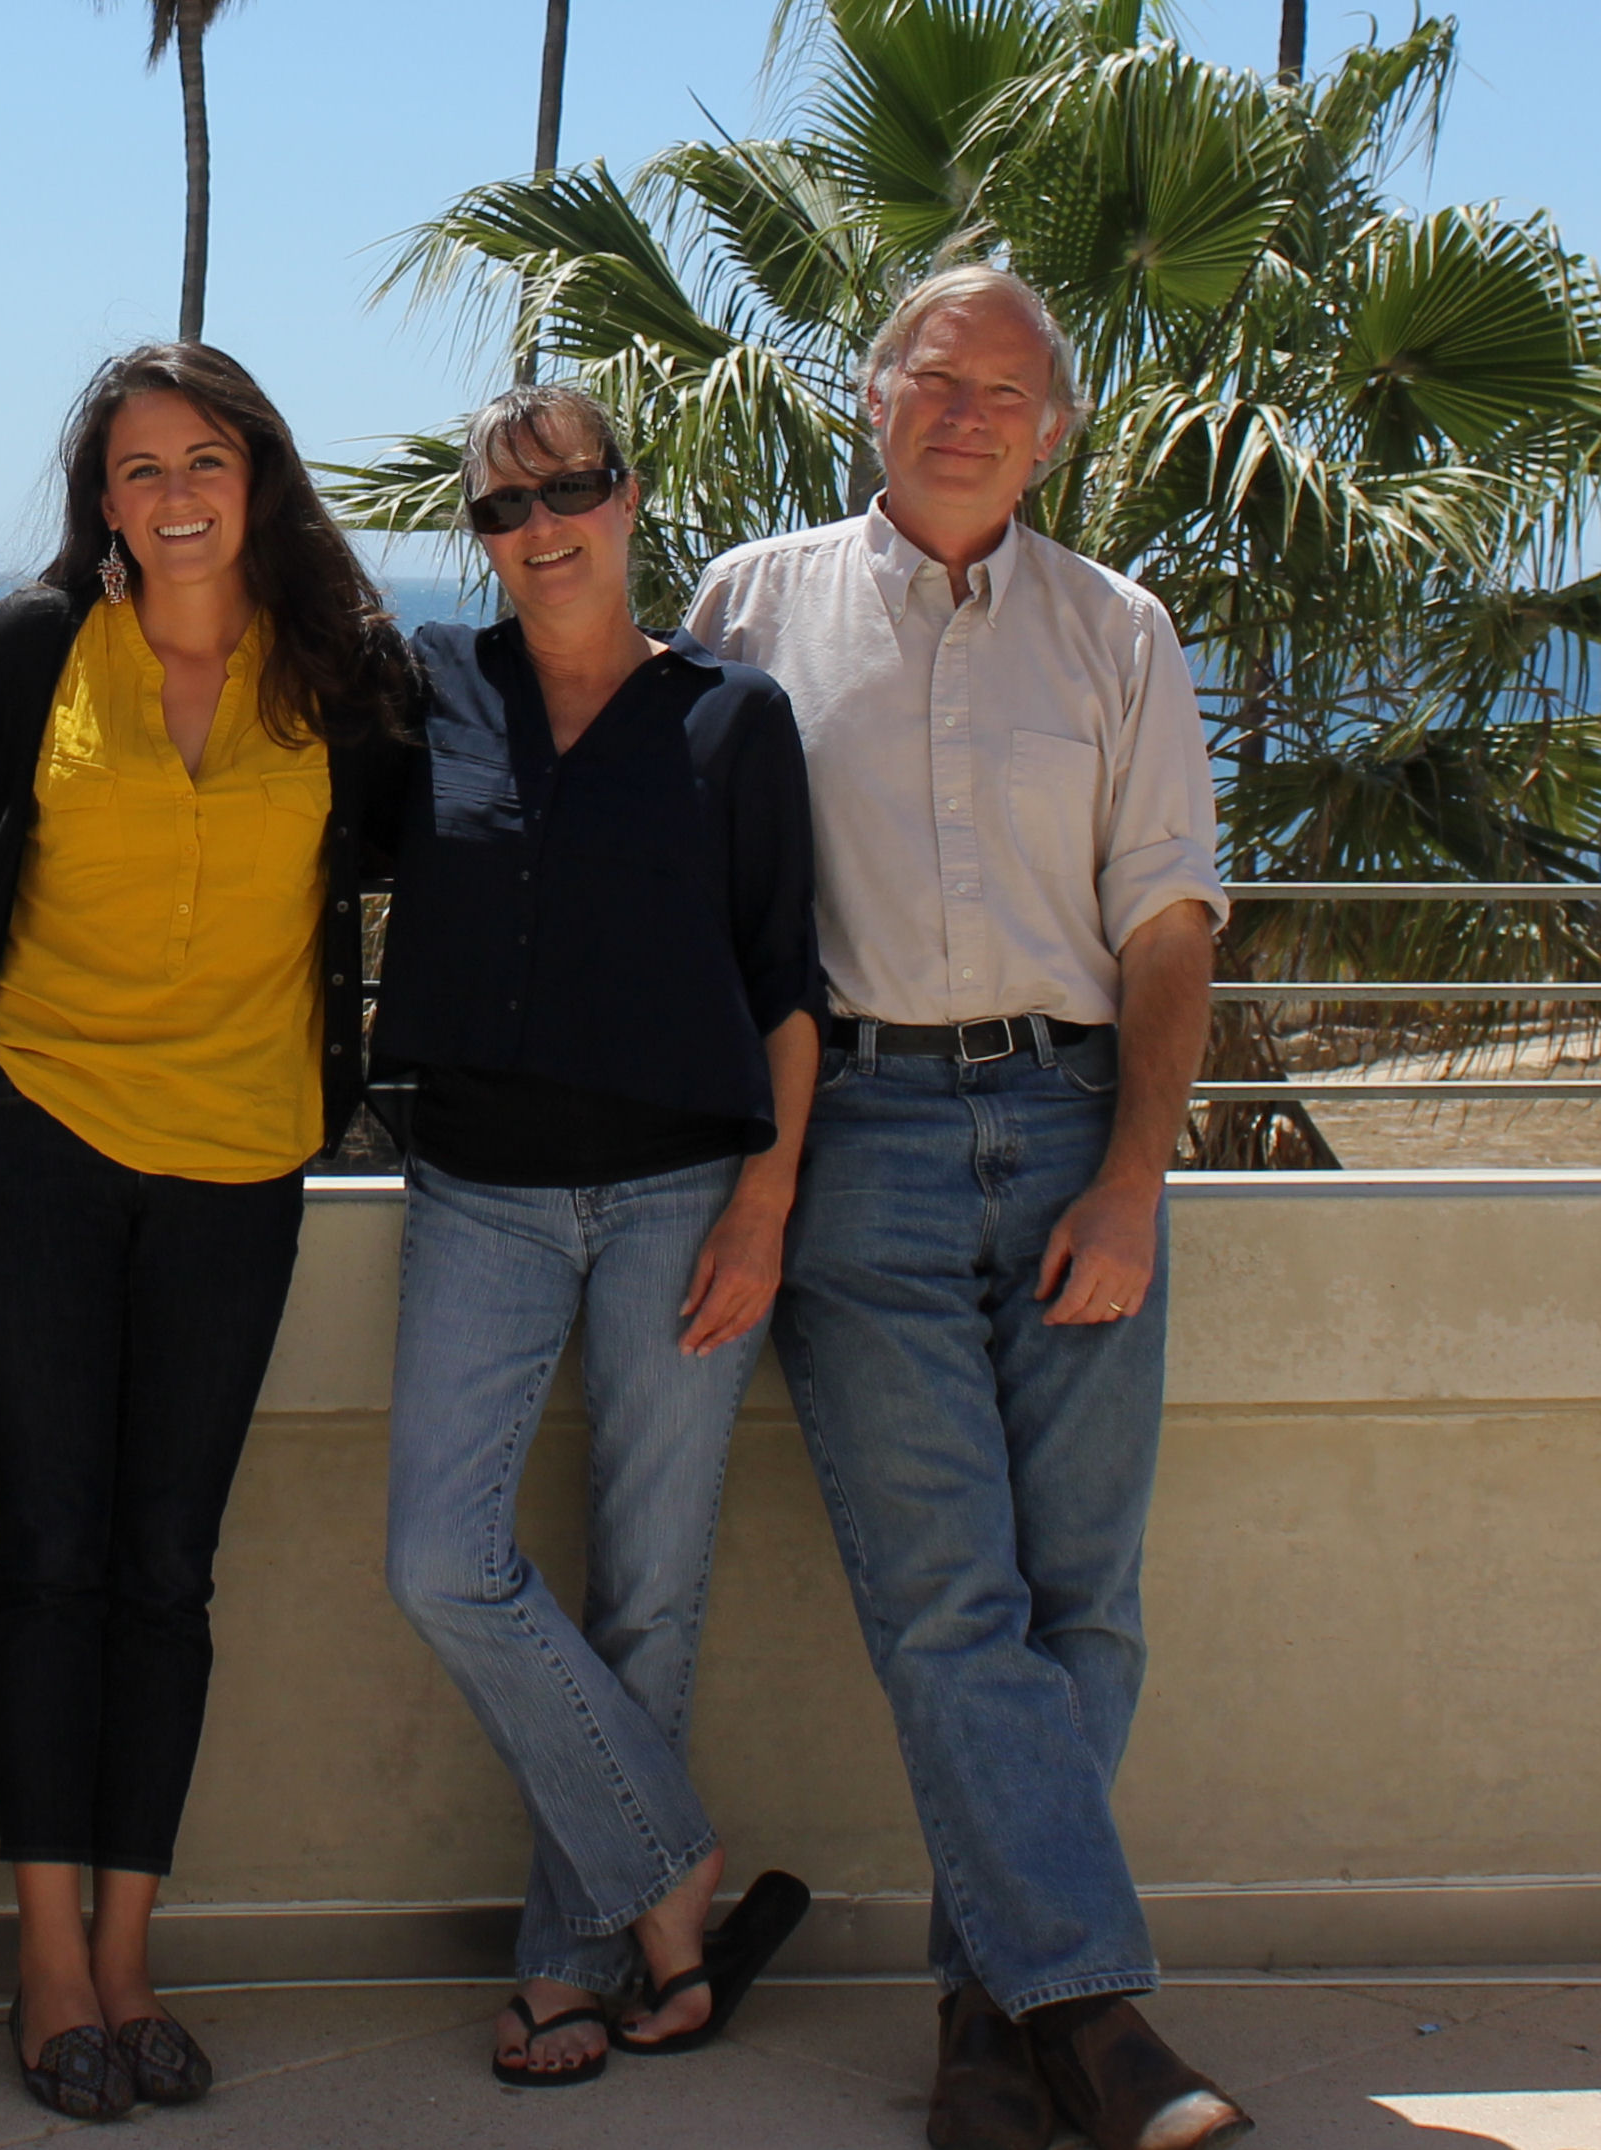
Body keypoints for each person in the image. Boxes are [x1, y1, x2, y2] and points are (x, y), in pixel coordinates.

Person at [687, 265, 1245, 2150]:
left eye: (1009, 389)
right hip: (853, 1141)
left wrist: (1135, 1182)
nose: (969, 409)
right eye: (938, 373)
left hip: (1080, 1116)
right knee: (951, 1598)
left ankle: (988, 2024)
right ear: (873, 393)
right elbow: (699, 906)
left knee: (1086, 1601)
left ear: (1055, 427)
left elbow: (1169, 925)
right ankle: (1098, 2012)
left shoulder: (1122, 631)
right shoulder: (750, 606)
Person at [0, 342, 415, 2122]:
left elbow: (452, 844)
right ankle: (50, 1959)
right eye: (138, 467)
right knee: (49, 1549)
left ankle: (133, 1951)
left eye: (206, 457)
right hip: (39, 1137)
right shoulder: (46, 649)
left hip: (245, 1157)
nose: (175, 492)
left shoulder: (347, 673)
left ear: (259, 477)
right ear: (99, 497)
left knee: (168, 1565)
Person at [374, 382, 822, 2092]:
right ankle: (672, 1871)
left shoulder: (732, 717)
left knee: (652, 1589)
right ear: (477, 537)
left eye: (571, 489)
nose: (540, 525)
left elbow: (790, 983)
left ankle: (569, 1967)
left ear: (632, 498)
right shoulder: (431, 696)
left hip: (682, 1196)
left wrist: (767, 1207)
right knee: (440, 1555)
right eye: (501, 506)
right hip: (479, 1186)